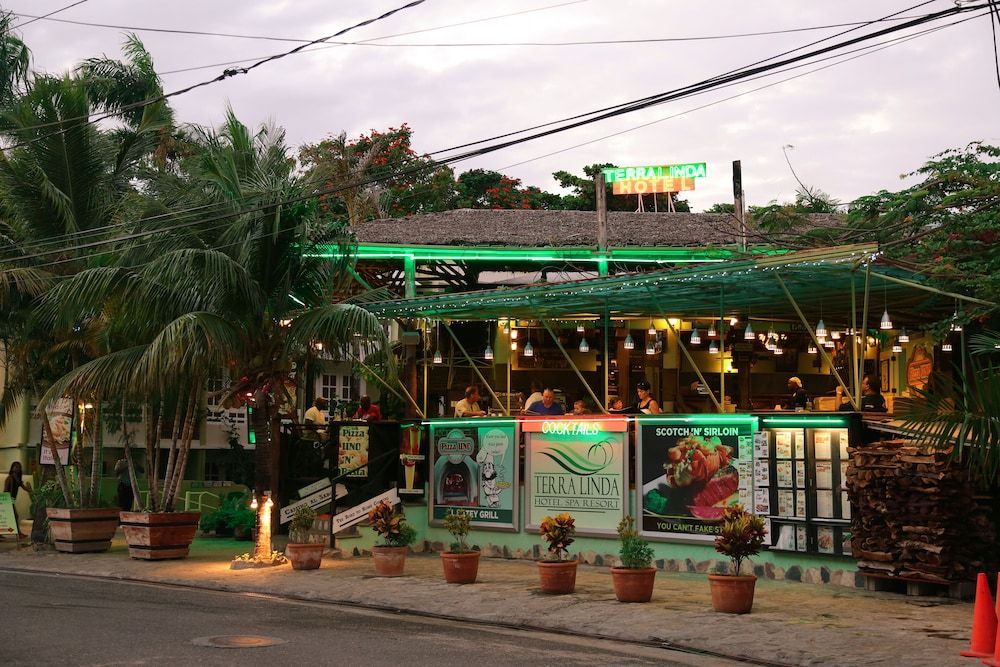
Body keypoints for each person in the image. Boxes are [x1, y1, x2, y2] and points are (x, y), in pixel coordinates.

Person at [3, 461, 31, 538]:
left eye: (18, 467)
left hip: (11, 500)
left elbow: (24, 487)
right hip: (7, 499)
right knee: (14, 516)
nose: (17, 468)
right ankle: (19, 534)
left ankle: (18, 534)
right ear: (12, 468)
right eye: (15, 467)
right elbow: (5, 490)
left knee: (9, 517)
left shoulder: (17, 479)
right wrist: (7, 502)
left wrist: (31, 490)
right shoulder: (10, 478)